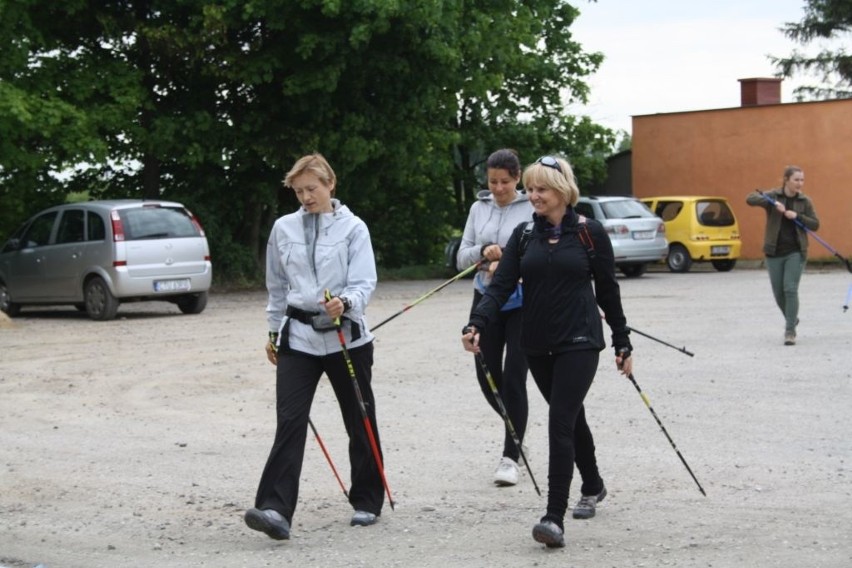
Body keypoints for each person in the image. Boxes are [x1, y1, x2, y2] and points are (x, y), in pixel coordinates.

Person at [461, 155, 633, 549]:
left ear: (562, 191)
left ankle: (553, 517)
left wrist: (622, 341)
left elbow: (608, 291)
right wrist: (477, 324)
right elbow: (500, 287)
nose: (533, 195)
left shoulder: (590, 233)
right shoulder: (524, 236)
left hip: (580, 340)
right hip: (537, 343)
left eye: (541, 189)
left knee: (559, 418)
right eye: (532, 188)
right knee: (571, 416)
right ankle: (592, 483)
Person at [245, 153, 386, 540]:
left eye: (312, 189)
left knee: (359, 417)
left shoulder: (354, 228)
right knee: (290, 420)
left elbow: (364, 283)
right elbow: (276, 287)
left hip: (347, 335)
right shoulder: (283, 228)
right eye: (299, 191)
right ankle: (275, 509)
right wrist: (274, 332)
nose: (306, 197)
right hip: (299, 336)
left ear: (330, 185)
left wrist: (347, 302)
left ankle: (367, 500)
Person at [456, 149, 533, 487]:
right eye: (493, 182)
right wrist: (484, 251)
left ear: (517, 179)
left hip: (522, 302)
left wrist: (512, 263)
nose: (499, 188)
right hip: (485, 298)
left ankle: (509, 457)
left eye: (505, 181)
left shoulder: (531, 206)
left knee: (515, 375)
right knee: (486, 372)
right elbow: (462, 258)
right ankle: (516, 427)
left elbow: (540, 254)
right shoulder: (478, 207)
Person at [746, 166, 820, 346]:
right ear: (786, 180)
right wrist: (772, 203)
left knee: (790, 289)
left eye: (802, 180)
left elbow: (815, 224)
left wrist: (798, 216)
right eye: (796, 180)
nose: (800, 183)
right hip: (773, 252)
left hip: (795, 251)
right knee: (779, 293)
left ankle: (790, 331)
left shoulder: (805, 201)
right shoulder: (774, 196)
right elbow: (749, 199)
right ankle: (792, 318)